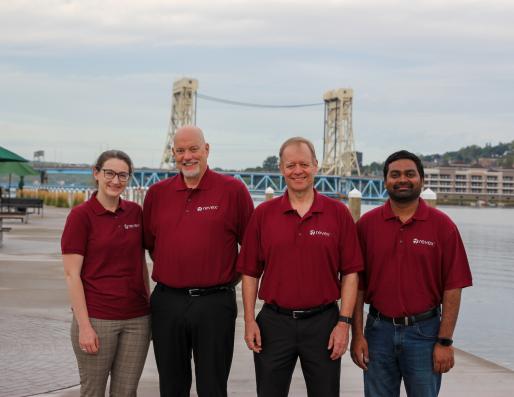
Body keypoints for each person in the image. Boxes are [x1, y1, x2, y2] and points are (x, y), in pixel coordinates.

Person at [237, 137, 363, 397]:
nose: (298, 171)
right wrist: (250, 320)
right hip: (274, 322)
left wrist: (344, 324)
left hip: (324, 323)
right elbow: (250, 272)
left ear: (315, 166)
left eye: (304, 164)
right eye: (291, 165)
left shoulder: (338, 214)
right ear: (281, 169)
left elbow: (351, 273)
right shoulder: (263, 215)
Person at [350, 150, 473, 397]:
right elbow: (357, 285)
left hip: (425, 334)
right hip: (378, 333)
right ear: (385, 182)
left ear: (422, 180)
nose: (402, 179)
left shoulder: (443, 226)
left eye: (410, 174)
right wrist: (358, 335)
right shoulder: (366, 226)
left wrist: (445, 341)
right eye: (395, 175)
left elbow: (453, 286)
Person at [143, 126, 254, 397]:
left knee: (213, 386)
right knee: (171, 386)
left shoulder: (233, 190)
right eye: (180, 150)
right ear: (174, 154)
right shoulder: (157, 194)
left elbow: (251, 248)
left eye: (193, 149)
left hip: (215, 303)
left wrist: (226, 275)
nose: (187, 156)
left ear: (207, 150)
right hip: (168, 302)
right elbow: (152, 245)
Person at [61, 150, 151, 397]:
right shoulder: (81, 216)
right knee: (93, 391)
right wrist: (84, 326)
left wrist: (149, 304)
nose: (116, 180)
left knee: (126, 392)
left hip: (137, 320)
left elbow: (140, 263)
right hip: (98, 319)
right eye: (110, 173)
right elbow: (72, 275)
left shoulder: (135, 213)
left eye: (123, 175)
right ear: (96, 173)